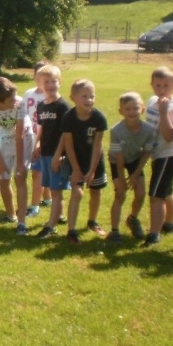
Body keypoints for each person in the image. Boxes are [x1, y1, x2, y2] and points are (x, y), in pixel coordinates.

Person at [0, 77, 34, 235]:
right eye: (11, 100)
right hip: (5, 138)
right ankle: (11, 215)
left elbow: (19, 135)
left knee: (20, 177)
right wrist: (0, 162)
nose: (15, 101)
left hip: (24, 139)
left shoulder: (20, 104)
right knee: (3, 178)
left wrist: (20, 165)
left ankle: (22, 223)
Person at [61, 79, 108, 244]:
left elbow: (97, 146)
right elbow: (68, 145)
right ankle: (71, 231)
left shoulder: (99, 118)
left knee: (96, 191)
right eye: (84, 96)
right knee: (77, 192)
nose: (89, 100)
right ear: (73, 97)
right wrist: (76, 169)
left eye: (91, 96)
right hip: (76, 161)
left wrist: (92, 169)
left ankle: (92, 222)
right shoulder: (69, 117)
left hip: (95, 161)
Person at [106, 92, 155, 242]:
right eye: (128, 109)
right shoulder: (116, 131)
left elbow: (147, 151)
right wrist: (121, 181)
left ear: (142, 109)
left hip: (135, 159)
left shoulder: (148, 129)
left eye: (136, 108)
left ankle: (132, 219)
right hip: (117, 161)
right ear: (121, 112)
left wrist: (135, 174)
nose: (132, 112)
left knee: (140, 193)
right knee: (120, 194)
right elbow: (119, 158)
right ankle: (114, 231)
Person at [143, 66, 173, 247]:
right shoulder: (152, 100)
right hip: (155, 154)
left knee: (156, 195)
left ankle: (154, 233)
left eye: (166, 85)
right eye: (158, 85)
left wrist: (164, 112)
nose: (161, 89)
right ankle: (170, 224)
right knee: (166, 191)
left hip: (168, 155)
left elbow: (169, 136)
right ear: (152, 85)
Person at [33, 64, 70, 238]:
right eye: (46, 82)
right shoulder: (41, 106)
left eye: (53, 81)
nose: (50, 85)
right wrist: (36, 146)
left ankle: (51, 226)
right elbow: (40, 128)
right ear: (40, 85)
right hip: (46, 153)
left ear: (60, 82)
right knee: (52, 187)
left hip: (59, 155)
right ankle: (60, 215)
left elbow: (66, 133)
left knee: (56, 191)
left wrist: (59, 154)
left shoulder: (63, 107)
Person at [24, 61, 51, 217]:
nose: (43, 79)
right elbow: (24, 113)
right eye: (40, 74)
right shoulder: (29, 94)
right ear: (35, 76)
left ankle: (34, 207)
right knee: (41, 171)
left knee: (37, 173)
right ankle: (47, 198)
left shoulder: (50, 97)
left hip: (45, 139)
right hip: (30, 137)